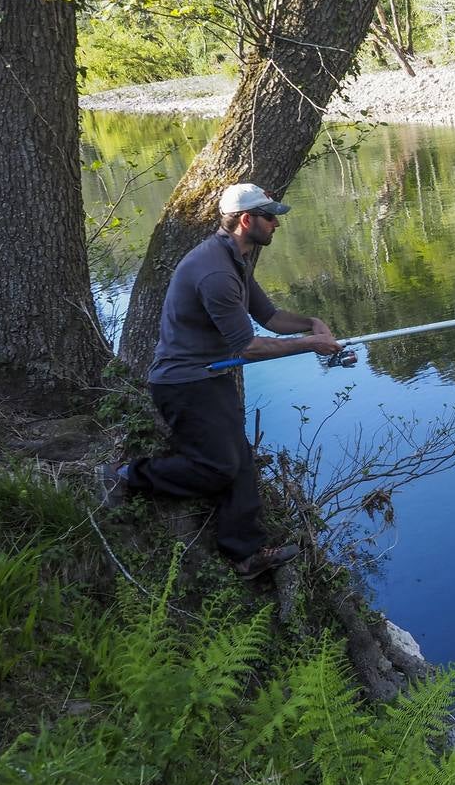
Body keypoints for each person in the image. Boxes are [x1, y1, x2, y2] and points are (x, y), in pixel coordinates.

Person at [99, 183, 350, 579]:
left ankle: (246, 554)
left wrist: (311, 324)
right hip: (184, 383)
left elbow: (269, 317)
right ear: (247, 220)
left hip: (209, 377)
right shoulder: (215, 271)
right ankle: (127, 475)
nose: (276, 225)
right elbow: (247, 346)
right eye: (270, 217)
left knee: (240, 461)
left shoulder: (234, 259)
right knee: (218, 467)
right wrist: (309, 345)